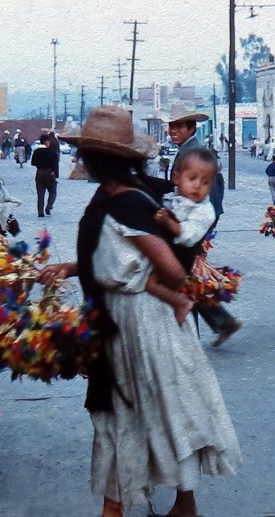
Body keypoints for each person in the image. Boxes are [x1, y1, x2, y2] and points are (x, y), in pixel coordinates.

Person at [38, 105, 241, 517]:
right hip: (129, 316)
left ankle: (131, 505)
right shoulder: (117, 195)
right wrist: (72, 267)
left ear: (98, 159)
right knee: (160, 409)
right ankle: (182, 503)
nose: (80, 161)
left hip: (142, 322)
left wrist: (170, 287)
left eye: (84, 155)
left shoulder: (129, 202)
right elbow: (117, 259)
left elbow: (166, 266)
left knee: (140, 411)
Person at [166, 104, 241, 346]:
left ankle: (193, 336)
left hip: (193, 229)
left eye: (179, 126)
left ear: (191, 128)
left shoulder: (197, 153)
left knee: (187, 281)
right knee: (190, 280)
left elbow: (213, 194)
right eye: (171, 126)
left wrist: (201, 233)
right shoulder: (184, 150)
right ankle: (221, 321)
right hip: (185, 227)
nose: (173, 131)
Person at [148, 148, 219, 326]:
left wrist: (167, 222)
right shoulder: (172, 197)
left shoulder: (204, 210)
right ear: (177, 178)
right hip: (163, 254)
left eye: (205, 183)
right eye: (192, 178)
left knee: (148, 282)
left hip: (178, 260)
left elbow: (188, 235)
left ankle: (181, 303)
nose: (197, 186)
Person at [30, 132, 60, 217]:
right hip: (49, 173)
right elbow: (55, 164)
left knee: (40, 194)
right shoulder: (52, 152)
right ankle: (49, 206)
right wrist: (55, 174)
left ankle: (40, 212)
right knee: (53, 190)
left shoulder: (36, 151)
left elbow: (33, 163)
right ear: (47, 141)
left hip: (39, 173)